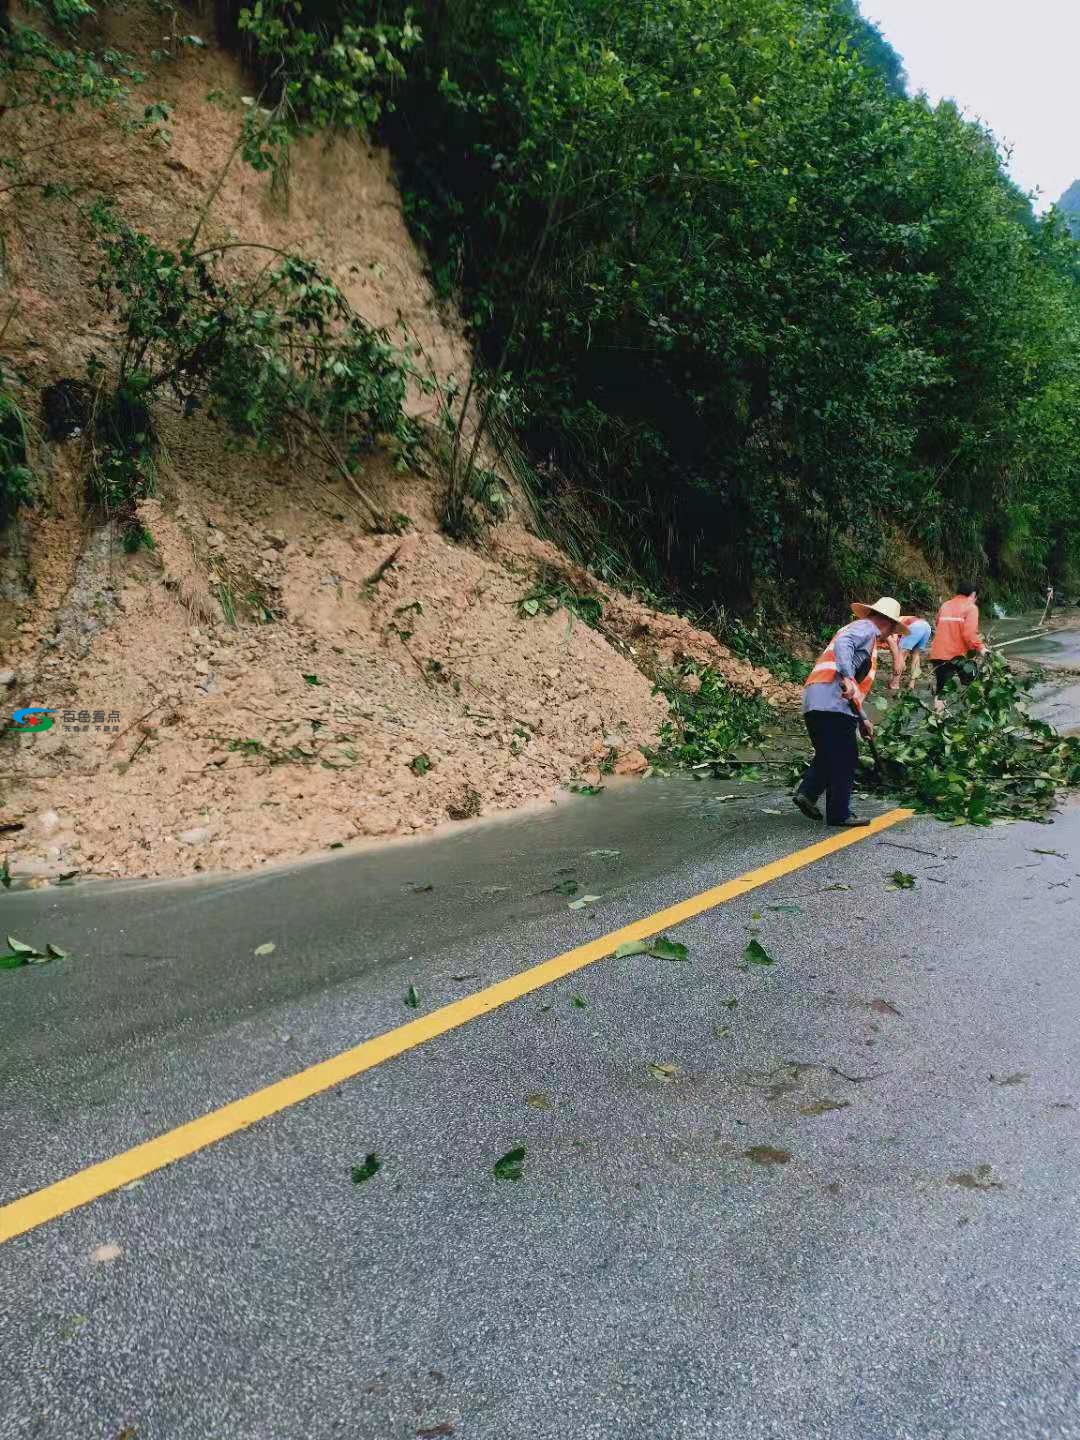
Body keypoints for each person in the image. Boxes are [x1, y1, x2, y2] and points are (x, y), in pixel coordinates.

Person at [793, 597, 909, 829]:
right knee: (846, 757)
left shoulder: (865, 637)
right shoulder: (866, 628)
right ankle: (839, 814)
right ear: (888, 623)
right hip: (832, 701)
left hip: (815, 700)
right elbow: (844, 645)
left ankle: (807, 794)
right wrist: (846, 675)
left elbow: (853, 689)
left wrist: (862, 719)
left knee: (829, 754)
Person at [929, 583, 986, 695]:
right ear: (973, 595)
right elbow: (969, 634)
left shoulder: (945, 605)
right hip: (958, 656)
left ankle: (938, 711)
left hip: (938, 654)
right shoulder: (971, 608)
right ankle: (974, 709)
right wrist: (982, 649)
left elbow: (937, 623)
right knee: (973, 686)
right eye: (976, 598)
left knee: (942, 692)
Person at [886, 613, 932, 693]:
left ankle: (895, 684)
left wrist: (897, 656)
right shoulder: (903, 618)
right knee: (916, 654)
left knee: (901, 654)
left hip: (915, 627)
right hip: (926, 627)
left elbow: (894, 640)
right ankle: (912, 683)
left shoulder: (892, 622)